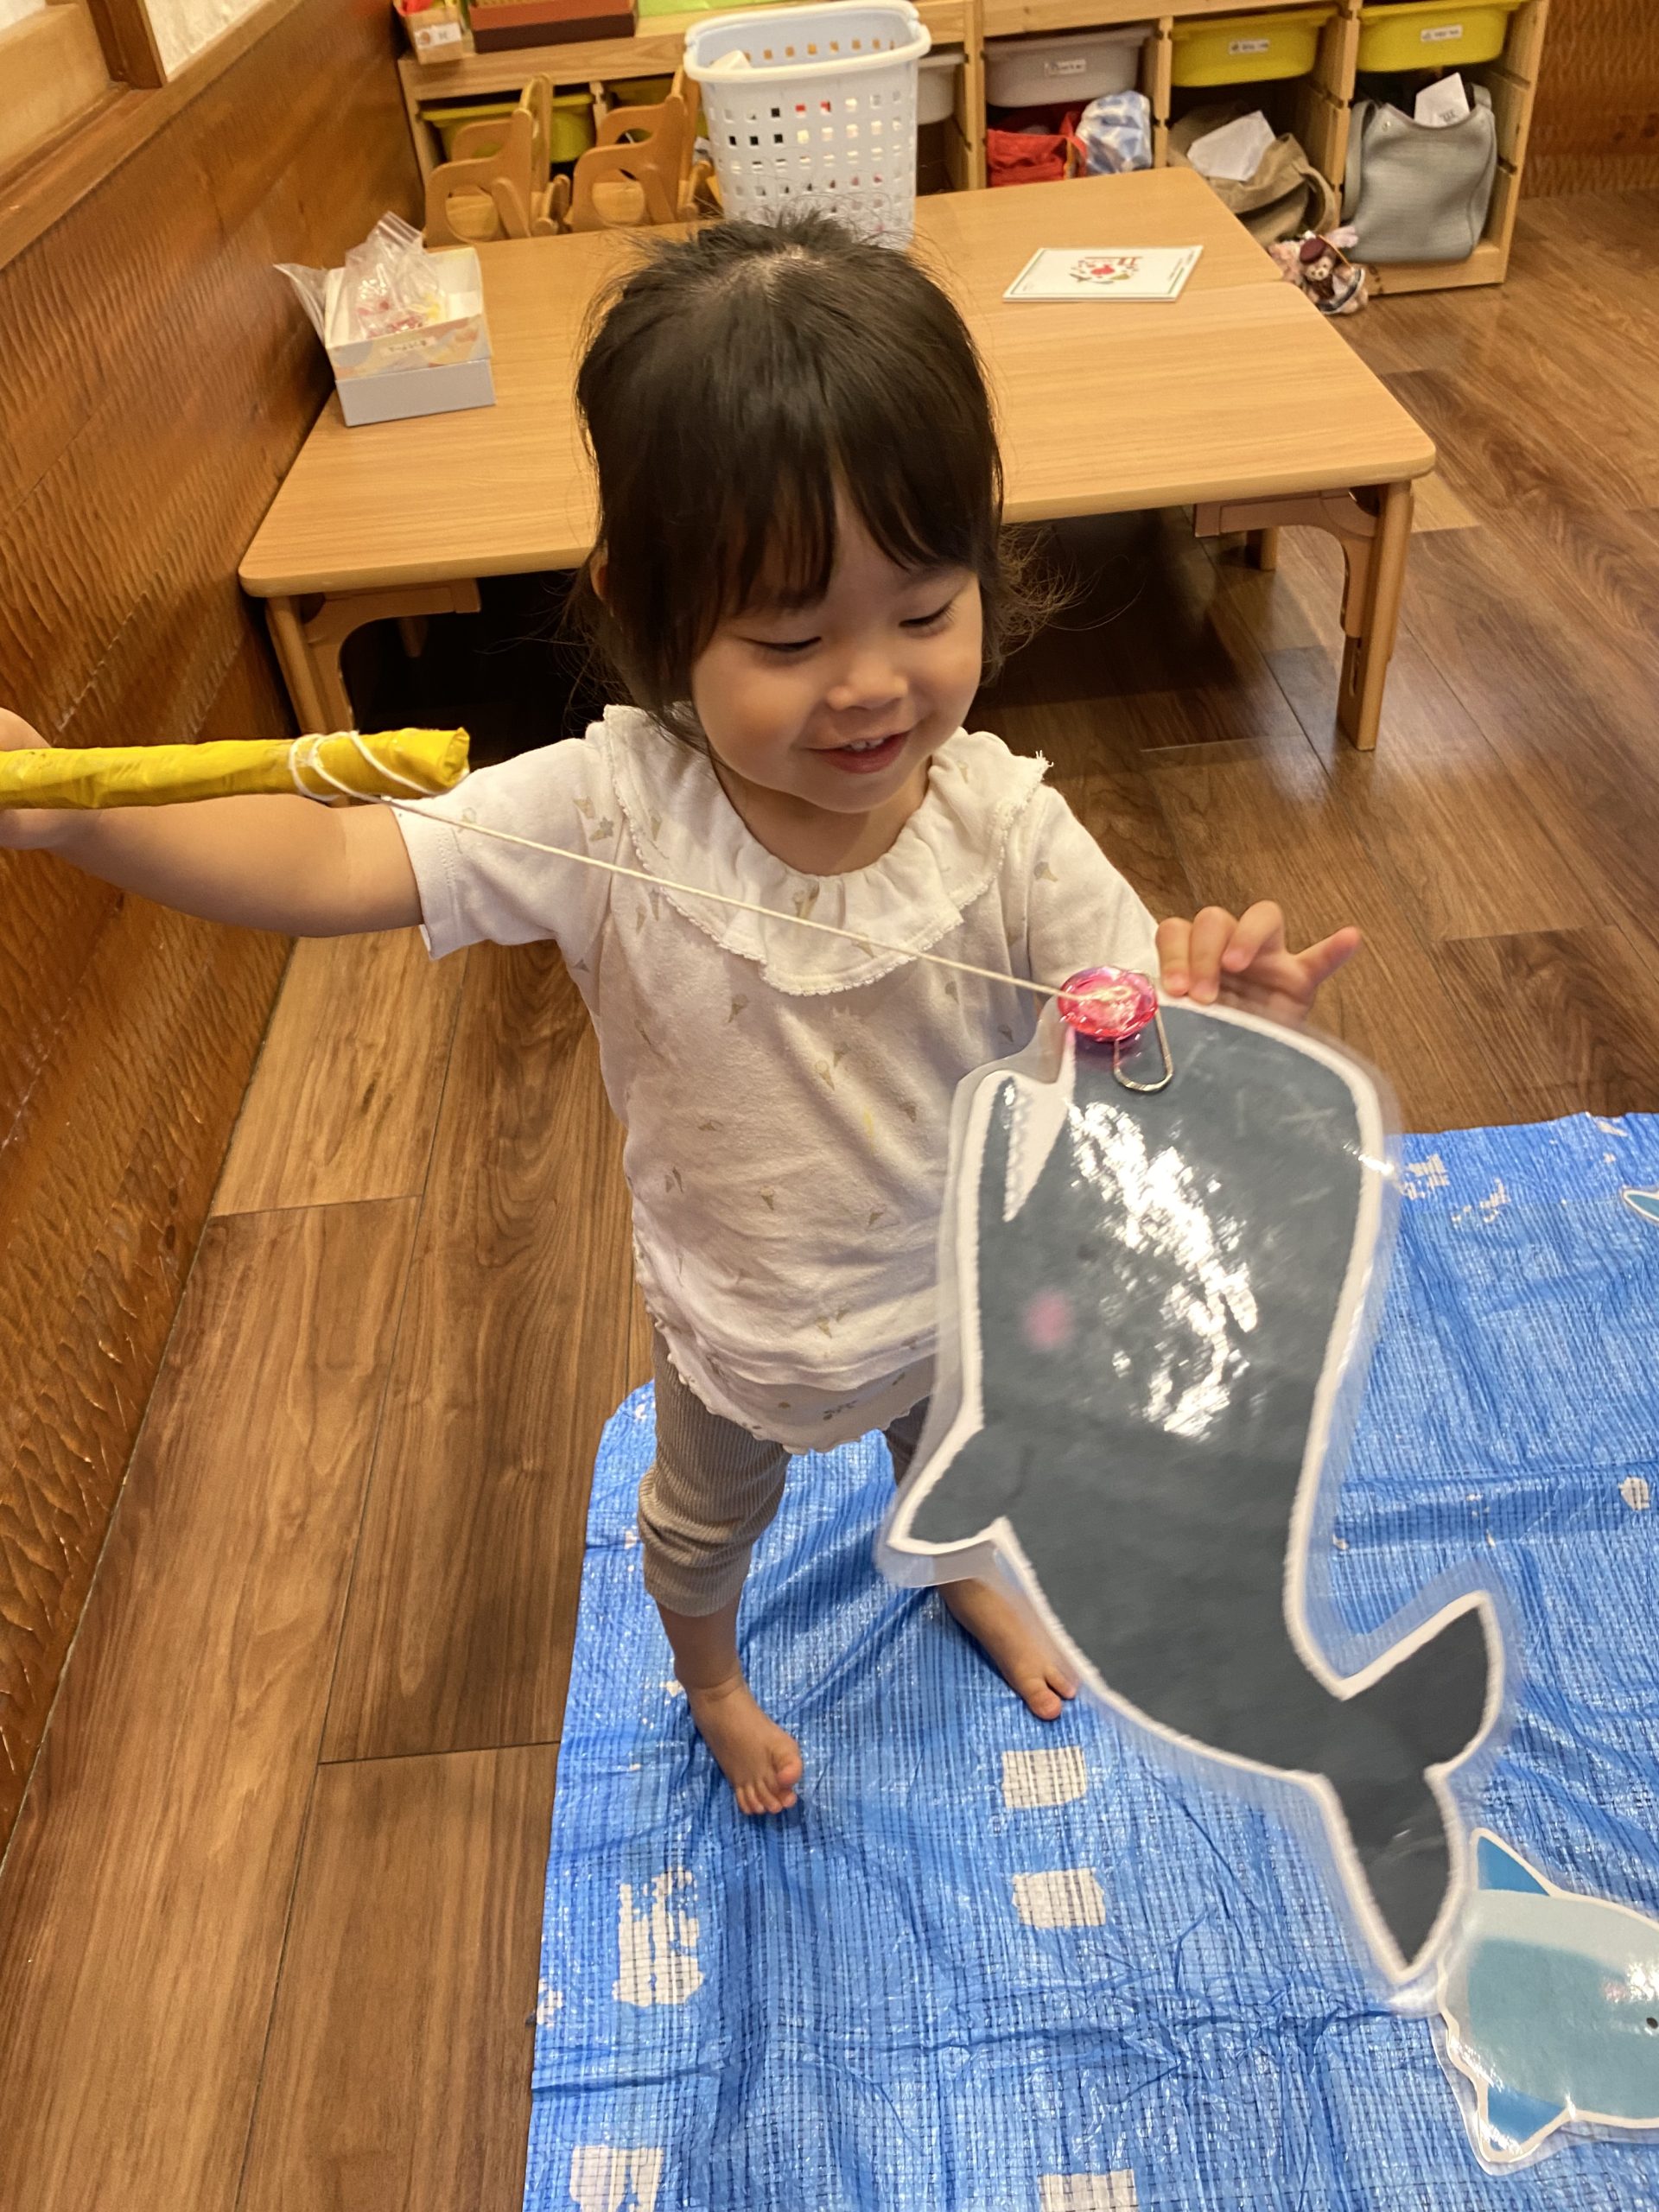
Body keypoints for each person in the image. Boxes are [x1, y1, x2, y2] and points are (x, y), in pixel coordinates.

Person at [0, 211, 1358, 1818]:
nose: (871, 683)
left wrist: (1218, 1016)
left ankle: (958, 1569)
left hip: (964, 1297)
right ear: (649, 616)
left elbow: (1138, 1057)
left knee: (963, 1467)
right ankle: (710, 1677)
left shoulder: (1005, 824)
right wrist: (77, 817)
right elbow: (333, 856)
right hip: (742, 1330)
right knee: (703, 1535)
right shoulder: (603, 812)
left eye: (925, 612)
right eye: (789, 639)